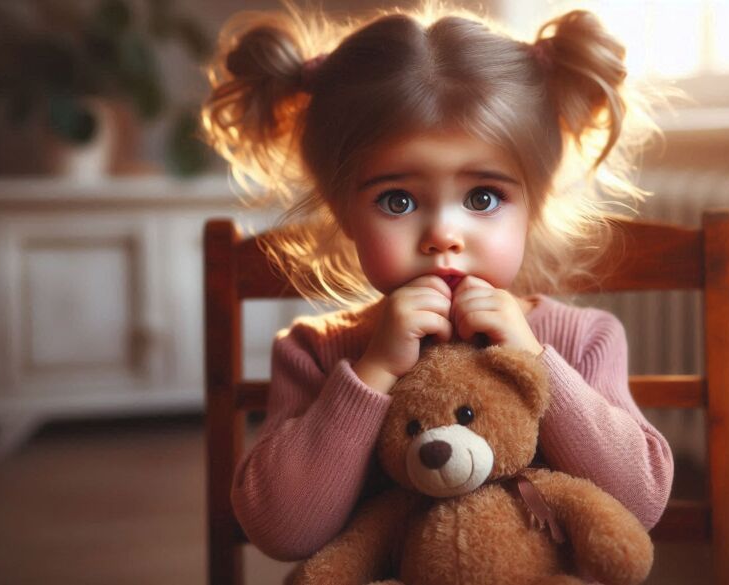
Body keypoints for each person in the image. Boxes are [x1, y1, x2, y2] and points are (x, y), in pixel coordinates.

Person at [201, 2, 674, 564]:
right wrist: (372, 373)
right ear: (343, 210)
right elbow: (282, 532)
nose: (443, 234)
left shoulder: (582, 339)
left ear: (534, 202)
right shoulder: (316, 353)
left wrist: (535, 362)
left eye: (483, 197)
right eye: (397, 200)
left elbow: (639, 503)